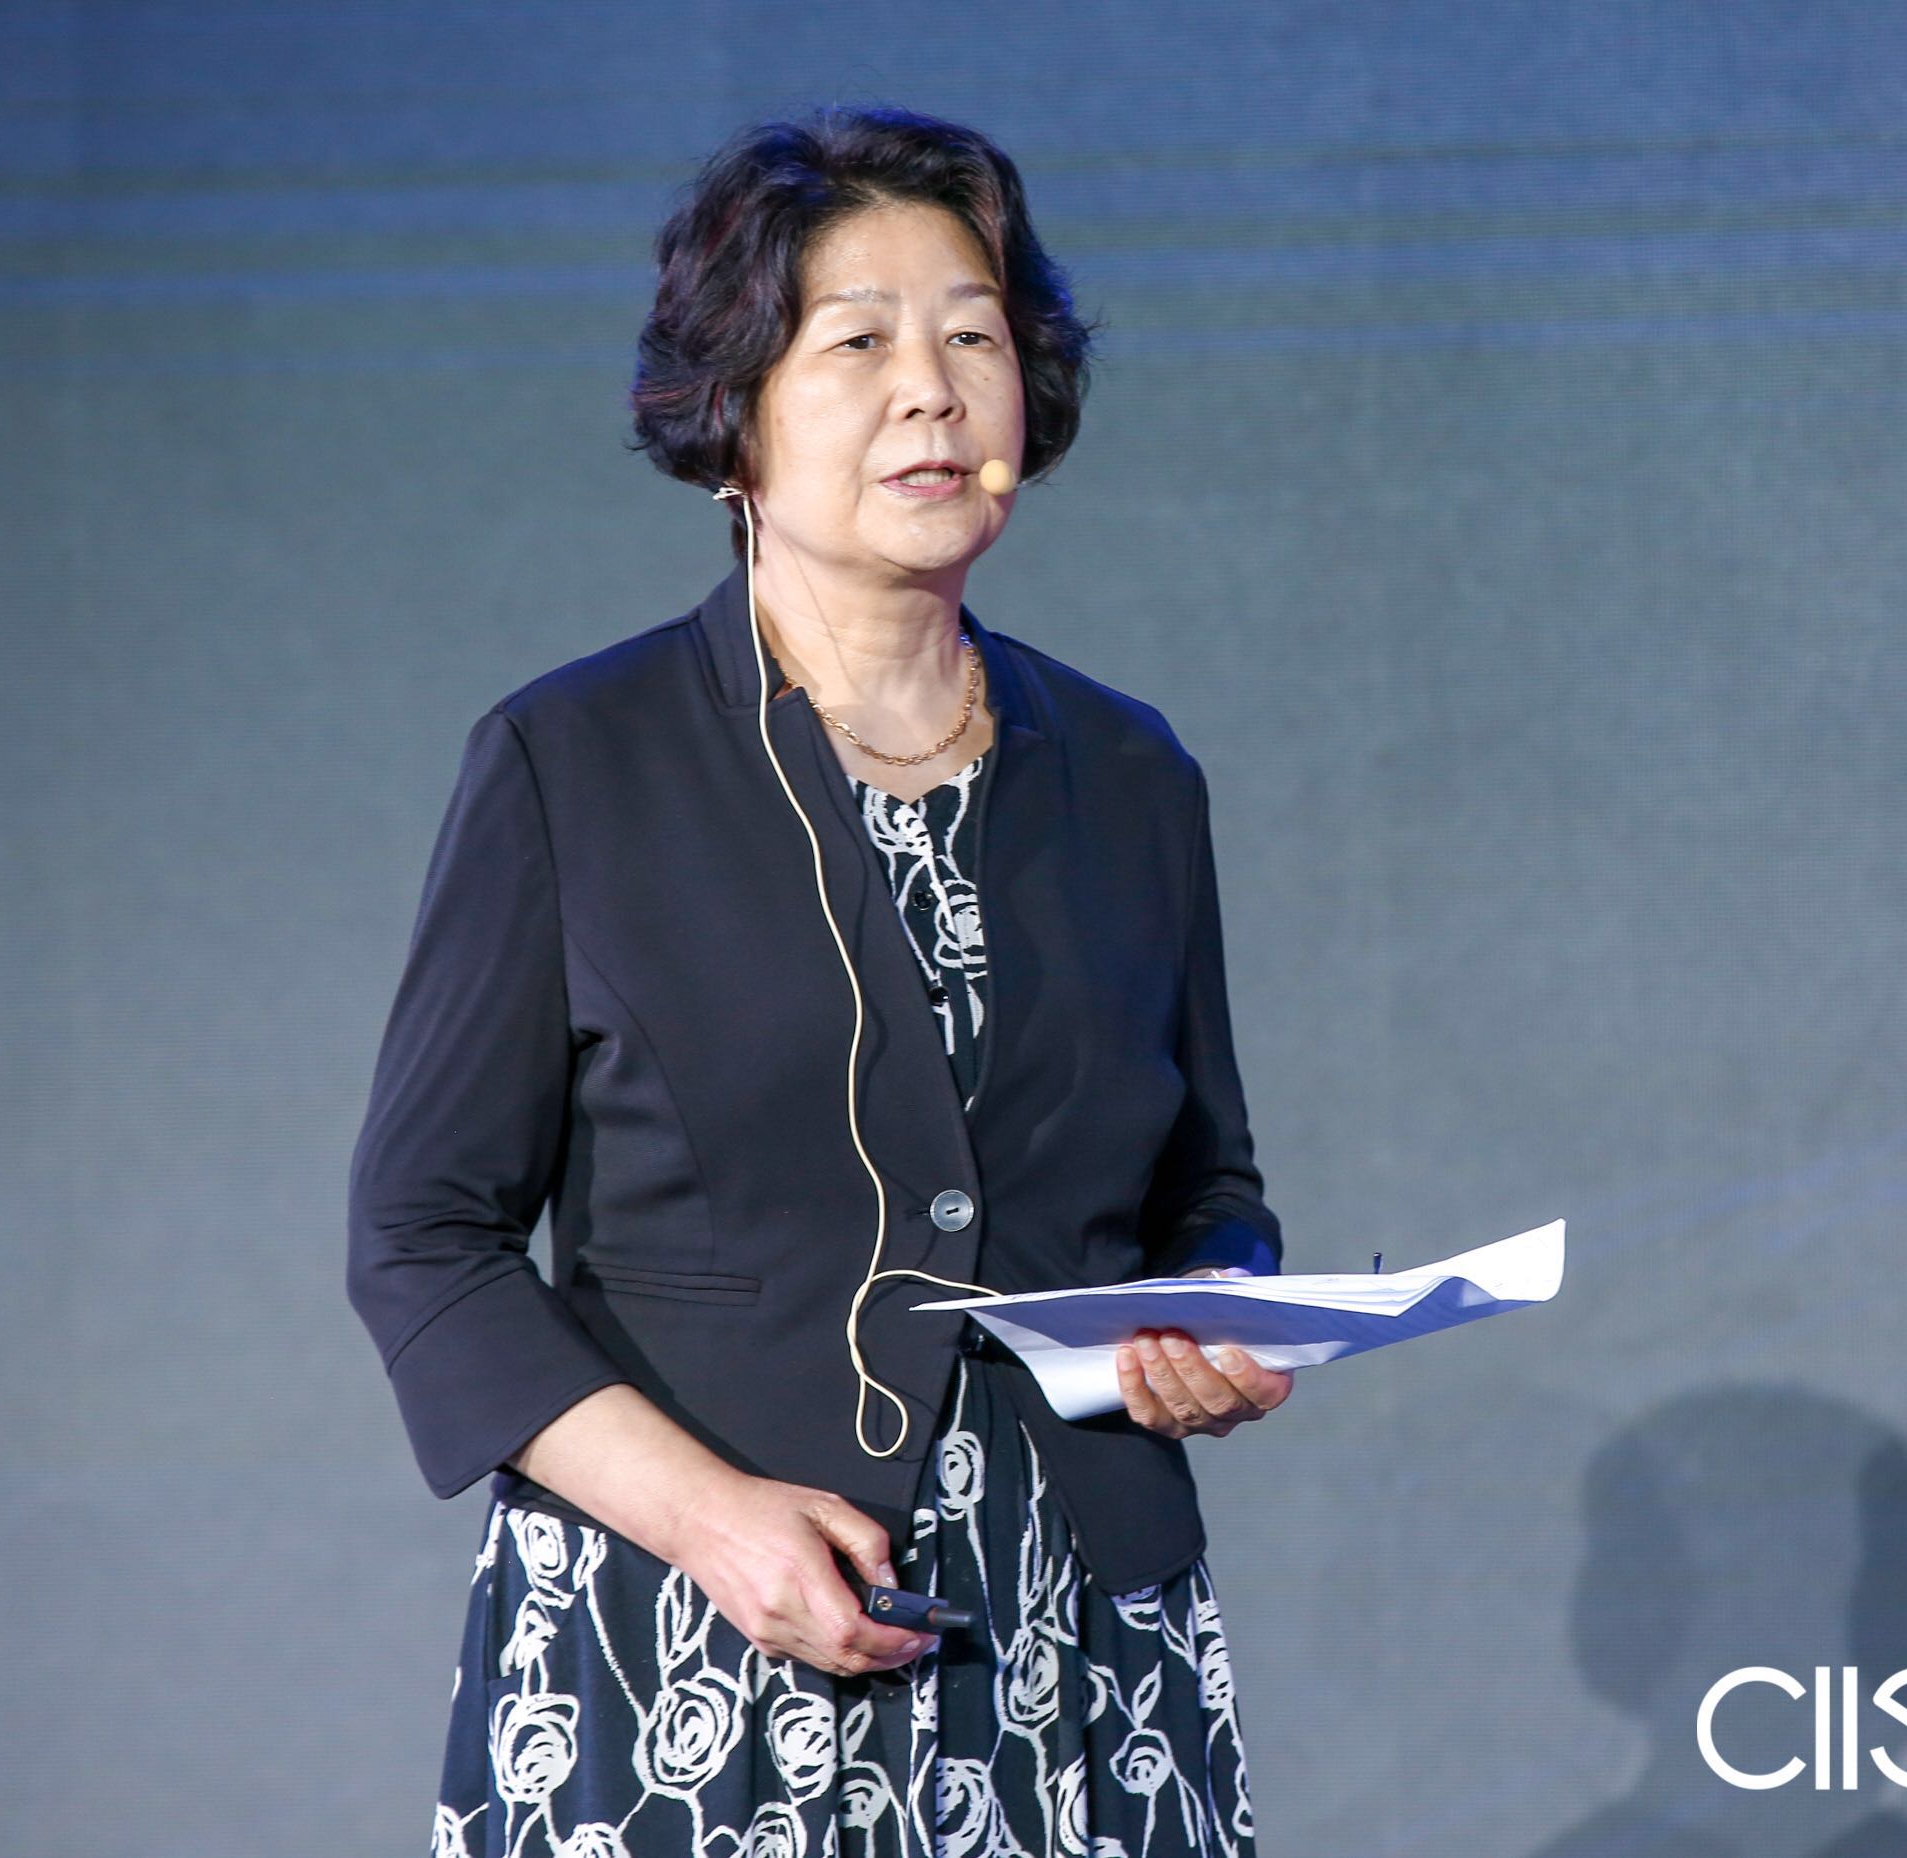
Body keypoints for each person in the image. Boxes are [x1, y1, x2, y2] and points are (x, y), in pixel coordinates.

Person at [344, 106, 1294, 1858]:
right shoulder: (576, 762)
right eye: (858, 343)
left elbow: (1206, 1184)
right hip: (696, 1632)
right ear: (735, 414)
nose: (931, 390)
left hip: (1079, 1644)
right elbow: (422, 1239)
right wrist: (712, 1521)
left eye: (975, 338)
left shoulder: (1132, 771)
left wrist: (1219, 1318)